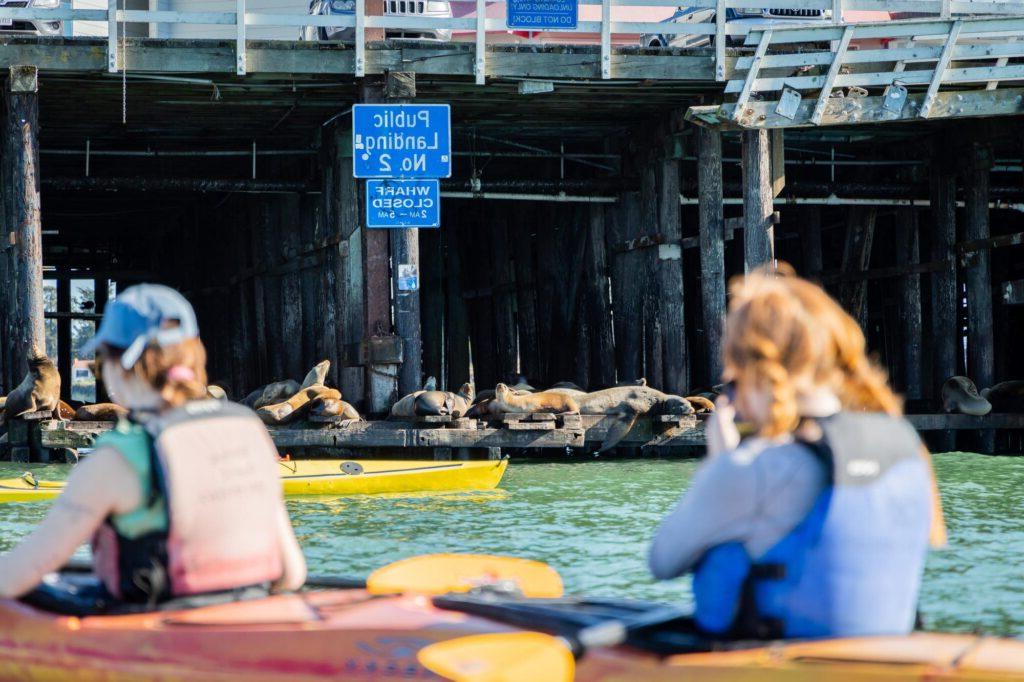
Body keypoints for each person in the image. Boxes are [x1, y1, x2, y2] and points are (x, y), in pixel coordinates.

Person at [649, 265, 946, 639]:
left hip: (779, 657)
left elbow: (662, 561)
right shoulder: (903, 443)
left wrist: (721, 462)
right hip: (885, 653)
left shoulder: (753, 468)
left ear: (751, 369)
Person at [0, 284, 306, 605]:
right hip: (246, 616)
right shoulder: (249, 428)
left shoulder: (118, 455)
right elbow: (292, 573)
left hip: (155, 632)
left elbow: (20, 574)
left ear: (124, 364)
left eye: (102, 360)